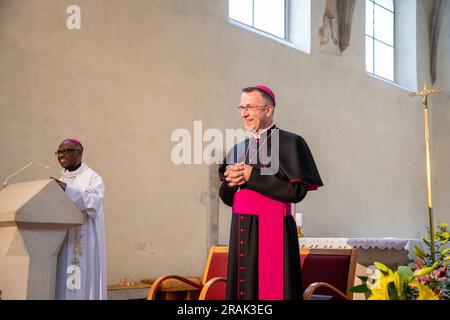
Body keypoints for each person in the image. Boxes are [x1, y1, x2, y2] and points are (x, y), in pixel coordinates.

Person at [219, 85, 323, 300]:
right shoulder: (238, 148)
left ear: (268, 110)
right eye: (241, 107)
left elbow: (296, 191)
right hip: (241, 228)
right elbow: (227, 198)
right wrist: (231, 181)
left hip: (273, 230)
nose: (244, 113)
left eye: (250, 107)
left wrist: (252, 176)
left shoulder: (291, 142)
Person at [52, 138, 107, 300]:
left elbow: (94, 202)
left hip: (83, 240)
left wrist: (67, 189)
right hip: (62, 241)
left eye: (67, 151)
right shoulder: (60, 179)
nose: (62, 155)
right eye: (59, 152)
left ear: (80, 153)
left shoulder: (93, 177)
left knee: (80, 282)